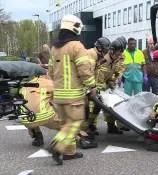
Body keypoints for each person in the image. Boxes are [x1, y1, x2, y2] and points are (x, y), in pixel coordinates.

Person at [48, 14, 97, 165]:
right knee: (75, 122)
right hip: (74, 95)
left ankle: (70, 152)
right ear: (74, 28)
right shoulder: (77, 46)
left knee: (65, 123)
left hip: (59, 95)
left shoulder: (55, 48)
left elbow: (50, 71)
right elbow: (85, 70)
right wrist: (92, 86)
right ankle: (57, 145)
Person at [83, 38, 126, 138]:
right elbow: (98, 76)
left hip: (106, 85)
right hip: (96, 86)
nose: (117, 55)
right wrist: (102, 90)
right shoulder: (103, 59)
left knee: (111, 106)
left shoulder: (118, 58)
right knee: (94, 107)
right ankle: (90, 127)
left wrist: (112, 81)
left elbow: (115, 72)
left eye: (119, 53)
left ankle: (110, 126)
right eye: (115, 52)